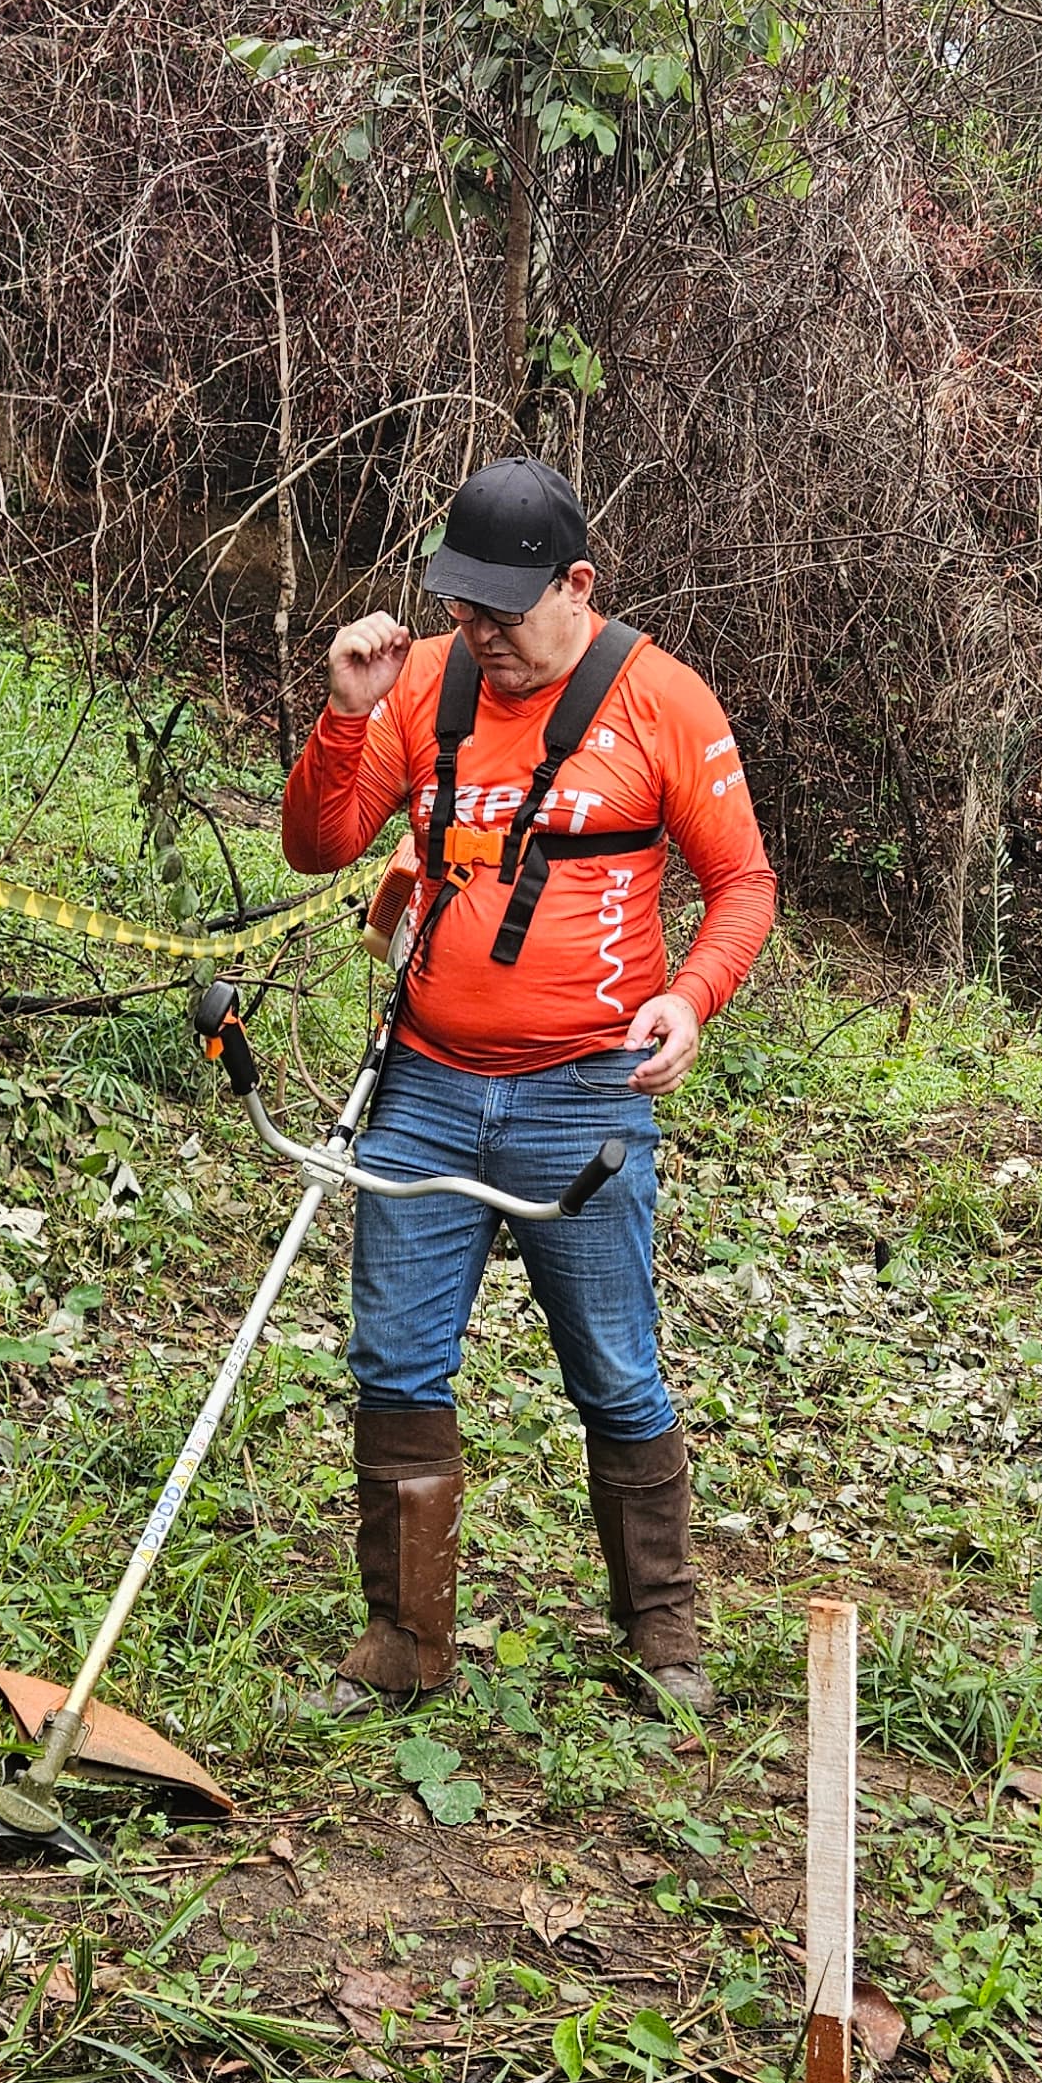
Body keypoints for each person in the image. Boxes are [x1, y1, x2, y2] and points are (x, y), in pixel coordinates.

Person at [281, 452, 777, 1714]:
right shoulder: (424, 685)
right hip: (430, 1082)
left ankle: (660, 1636)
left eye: (503, 611)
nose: (479, 635)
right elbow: (319, 846)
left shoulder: (661, 701)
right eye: (461, 608)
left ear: (577, 585)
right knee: (393, 1359)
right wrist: (346, 712)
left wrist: (690, 996)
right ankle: (402, 1645)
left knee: (613, 1365)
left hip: (584, 1097)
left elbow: (741, 887)